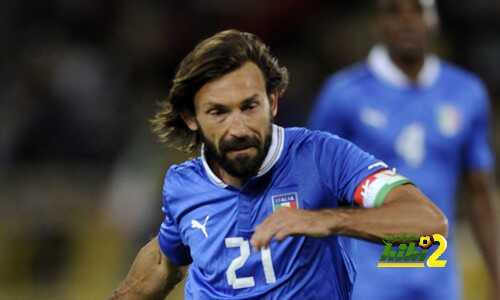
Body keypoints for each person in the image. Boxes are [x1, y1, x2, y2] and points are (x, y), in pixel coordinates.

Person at [110, 29, 447, 300]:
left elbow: (430, 230)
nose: (238, 128)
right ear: (191, 118)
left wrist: (328, 220)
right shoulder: (183, 186)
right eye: (218, 112)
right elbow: (162, 260)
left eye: (250, 106)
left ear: (272, 102)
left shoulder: (321, 157)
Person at [309, 1, 499, 299]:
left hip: (438, 278)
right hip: (368, 279)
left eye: (417, 10)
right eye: (394, 11)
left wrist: (497, 275)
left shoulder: (466, 92)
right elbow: (316, 188)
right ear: (378, 23)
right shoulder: (343, 94)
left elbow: (479, 192)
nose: (406, 21)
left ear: (433, 19)